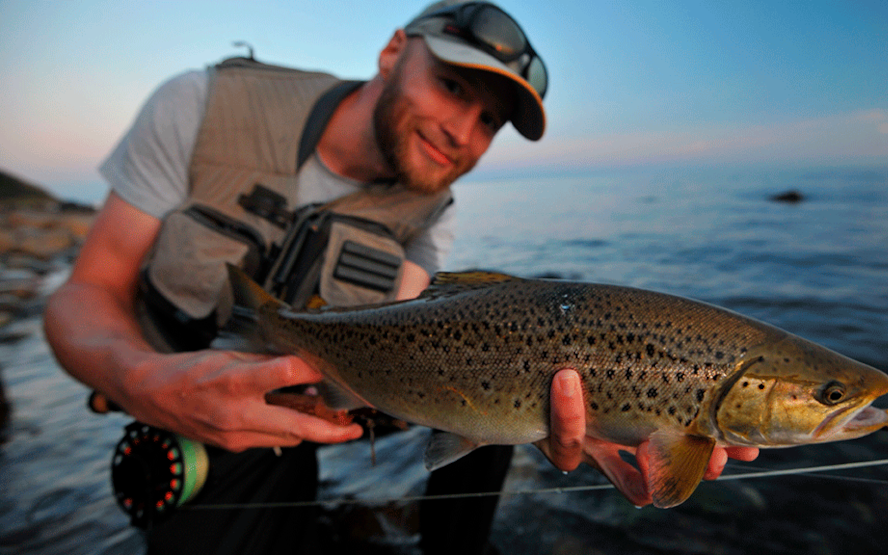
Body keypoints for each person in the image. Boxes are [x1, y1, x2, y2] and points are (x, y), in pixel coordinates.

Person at [44, 1, 757, 554]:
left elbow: (413, 342)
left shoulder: (431, 209)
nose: (463, 133)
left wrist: (572, 413)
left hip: (331, 385)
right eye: (451, 87)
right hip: (179, 395)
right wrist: (148, 385)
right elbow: (84, 293)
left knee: (509, 405)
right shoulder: (199, 103)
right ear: (392, 51)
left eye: (489, 122)